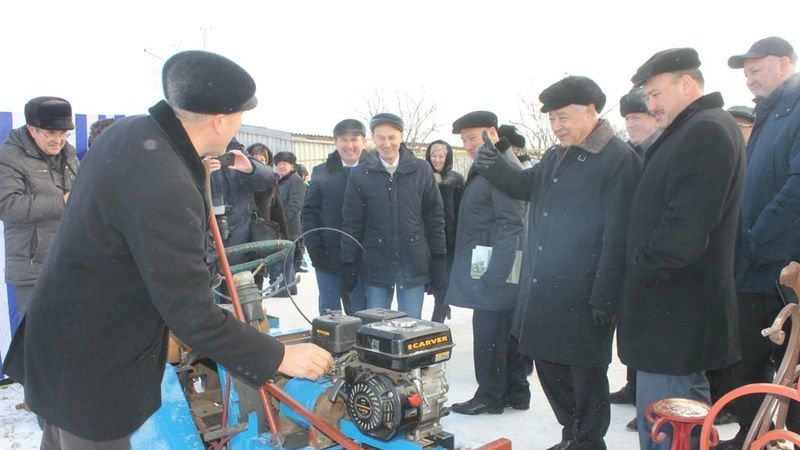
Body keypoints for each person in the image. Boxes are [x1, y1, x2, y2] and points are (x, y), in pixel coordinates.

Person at [1, 50, 333, 450]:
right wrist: (279, 357)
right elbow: (192, 315)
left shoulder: (131, 133)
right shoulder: (166, 183)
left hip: (61, 338)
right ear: (219, 120)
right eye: (240, 117)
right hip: (95, 365)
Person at [475, 77, 640, 450]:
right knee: (549, 365)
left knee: (584, 375)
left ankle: (588, 442)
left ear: (591, 111)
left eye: (563, 117)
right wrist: (494, 164)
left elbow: (619, 234)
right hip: (545, 287)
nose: (556, 126)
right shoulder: (556, 154)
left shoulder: (617, 158)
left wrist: (605, 294)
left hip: (584, 291)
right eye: (551, 119)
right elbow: (524, 186)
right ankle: (571, 435)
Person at [617, 48, 745, 450]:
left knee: (669, 431)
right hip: (672, 315)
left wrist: (640, 266)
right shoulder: (692, 128)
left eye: (656, 94)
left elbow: (685, 229)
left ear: (687, 84)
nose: (651, 105)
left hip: (675, 315)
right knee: (667, 426)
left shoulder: (706, 130)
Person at [719, 36, 800, 450]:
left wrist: (756, 236)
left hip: (783, 265)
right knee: (745, 355)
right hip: (752, 264)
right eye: (746, 73)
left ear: (784, 63)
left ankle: (787, 438)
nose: (749, 79)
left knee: (791, 364)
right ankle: (751, 434)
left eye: (756, 70)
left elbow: (796, 186)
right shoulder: (768, 113)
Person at [444, 111, 529, 416]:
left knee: (489, 329)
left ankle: (490, 395)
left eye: (472, 137)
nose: (467, 145)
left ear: (492, 132)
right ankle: (516, 391)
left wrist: (496, 273)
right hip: (493, 257)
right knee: (504, 328)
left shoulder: (499, 166)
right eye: (464, 140)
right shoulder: (493, 161)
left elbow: (512, 225)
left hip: (495, 261)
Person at [340, 113, 446, 319]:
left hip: (413, 262)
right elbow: (352, 222)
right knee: (376, 326)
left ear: (401, 137)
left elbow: (434, 217)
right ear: (372, 139)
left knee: (410, 326)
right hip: (376, 263)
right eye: (380, 138)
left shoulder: (421, 170)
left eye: (392, 137)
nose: (386, 143)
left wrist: (439, 257)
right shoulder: (361, 174)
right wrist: (349, 261)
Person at [609, 89, 662, 431]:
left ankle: (649, 398)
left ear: (654, 118)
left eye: (637, 117)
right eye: (627, 118)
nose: (631, 124)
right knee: (629, 325)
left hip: (653, 254)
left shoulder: (661, 151)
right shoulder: (629, 153)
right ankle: (634, 385)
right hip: (627, 251)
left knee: (649, 329)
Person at [0, 96, 79, 319]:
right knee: (38, 333)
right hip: (33, 268)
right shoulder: (9, 157)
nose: (59, 140)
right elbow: (6, 205)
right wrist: (62, 201)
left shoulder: (69, 154)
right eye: (51, 133)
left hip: (71, 262)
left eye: (64, 133)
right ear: (32, 129)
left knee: (73, 331)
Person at [302, 119, 370, 315]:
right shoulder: (322, 173)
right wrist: (314, 247)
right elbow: (309, 213)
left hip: (364, 256)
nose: (349, 145)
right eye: (344, 140)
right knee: (330, 314)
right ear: (335, 142)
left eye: (354, 139)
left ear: (364, 141)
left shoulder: (374, 171)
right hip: (328, 255)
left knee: (362, 314)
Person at [210, 137, 273, 267]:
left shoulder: (235, 148)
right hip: (203, 234)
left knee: (237, 273)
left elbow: (267, 179)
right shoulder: (190, 148)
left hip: (238, 234)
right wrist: (199, 171)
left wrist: (251, 168)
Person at [424, 139, 464, 322]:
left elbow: (461, 209)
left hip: (449, 241)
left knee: (443, 282)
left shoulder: (456, 179)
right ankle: (442, 306)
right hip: (427, 239)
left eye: (441, 156)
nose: (437, 160)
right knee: (431, 281)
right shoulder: (422, 176)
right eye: (434, 156)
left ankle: (438, 318)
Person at [271, 151, 306, 296]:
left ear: (292, 166)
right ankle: (288, 288)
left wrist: (281, 220)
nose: (281, 166)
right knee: (284, 258)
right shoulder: (278, 180)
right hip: (278, 226)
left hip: (289, 227)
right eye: (279, 164)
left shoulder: (296, 181)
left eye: (284, 164)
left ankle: (283, 289)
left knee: (284, 259)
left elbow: (295, 205)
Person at [619, 89, 661, 156]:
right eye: (627, 119)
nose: (630, 125)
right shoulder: (623, 155)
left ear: (656, 120)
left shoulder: (672, 147)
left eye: (636, 118)